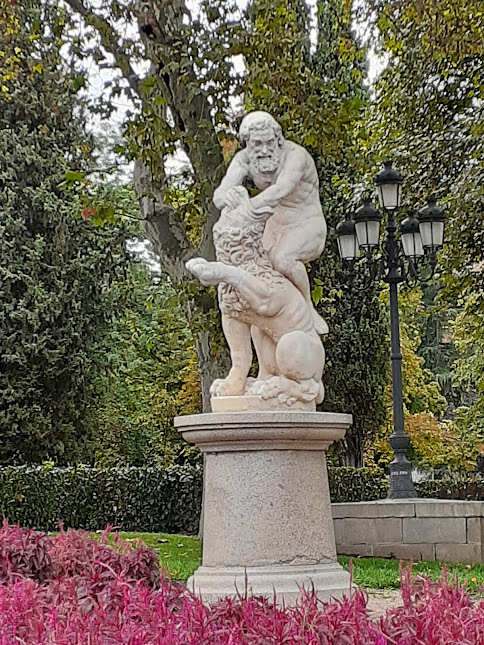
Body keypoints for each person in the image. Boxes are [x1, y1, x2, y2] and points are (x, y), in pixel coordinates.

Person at [213, 111, 328, 334]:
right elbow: (219, 196)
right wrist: (230, 197)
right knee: (257, 272)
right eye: (257, 144)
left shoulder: (296, 156)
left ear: (278, 139)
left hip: (306, 221)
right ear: (247, 144)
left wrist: (245, 207)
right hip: (274, 225)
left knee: (282, 260)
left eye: (269, 142)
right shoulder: (244, 160)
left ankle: (308, 306)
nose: (264, 150)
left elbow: (280, 190)